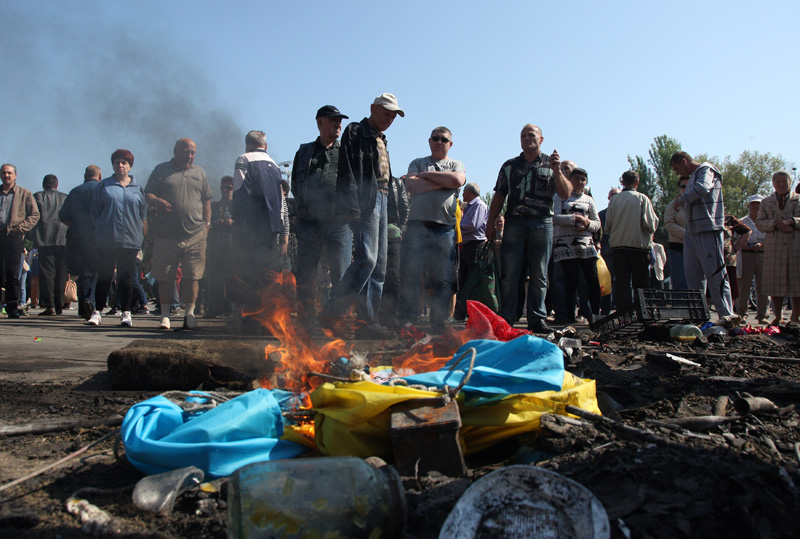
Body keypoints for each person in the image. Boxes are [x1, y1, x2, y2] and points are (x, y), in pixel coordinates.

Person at [321, 93, 404, 339]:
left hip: (383, 197)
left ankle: (369, 323)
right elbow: (347, 169)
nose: (389, 119)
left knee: (379, 265)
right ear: (373, 109)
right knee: (366, 259)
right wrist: (352, 205)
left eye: (393, 116)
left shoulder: (381, 139)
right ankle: (332, 311)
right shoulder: (356, 131)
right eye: (386, 113)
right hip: (365, 199)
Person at [485, 124, 570, 333]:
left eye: (531, 135)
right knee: (510, 274)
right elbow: (499, 195)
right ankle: (506, 318)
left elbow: (566, 193)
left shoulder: (552, 164)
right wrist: (489, 224)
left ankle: (537, 319)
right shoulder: (509, 166)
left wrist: (558, 171)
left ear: (541, 139)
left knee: (540, 274)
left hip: (542, 223)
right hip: (514, 223)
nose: (526, 138)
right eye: (523, 135)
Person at [291, 105, 354, 328]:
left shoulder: (347, 150)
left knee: (341, 272)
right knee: (306, 272)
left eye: (340, 121)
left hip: (338, 222)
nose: (338, 124)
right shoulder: (305, 151)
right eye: (333, 120)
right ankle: (306, 318)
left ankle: (337, 319)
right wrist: (302, 210)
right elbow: (295, 184)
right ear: (320, 123)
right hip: (310, 222)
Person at [399, 126, 466, 332]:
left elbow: (458, 180)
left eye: (443, 139)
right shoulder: (417, 162)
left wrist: (426, 176)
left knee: (442, 276)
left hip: (444, 228)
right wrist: (444, 183)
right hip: (417, 225)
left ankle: (438, 321)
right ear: (429, 141)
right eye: (435, 138)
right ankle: (408, 320)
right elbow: (411, 186)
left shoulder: (456, 164)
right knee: (412, 273)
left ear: (450, 144)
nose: (439, 142)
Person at [145, 138, 212, 330]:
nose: (189, 156)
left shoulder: (200, 172)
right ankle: (165, 315)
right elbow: (148, 194)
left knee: (193, 277)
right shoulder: (160, 170)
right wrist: (156, 200)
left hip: (195, 235)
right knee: (166, 277)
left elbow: (207, 200)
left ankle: (189, 314)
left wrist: (207, 225)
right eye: (185, 152)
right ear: (175, 151)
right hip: (166, 234)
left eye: (192, 153)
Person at [670, 151, 737, 325]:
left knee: (715, 274)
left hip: (708, 229)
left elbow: (703, 188)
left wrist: (682, 199)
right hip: (692, 231)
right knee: (693, 276)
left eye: (677, 169)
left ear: (684, 162)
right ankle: (698, 316)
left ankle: (727, 315)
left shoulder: (706, 170)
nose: (678, 173)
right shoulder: (693, 175)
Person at [231, 130, 287, 330]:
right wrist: (279, 229)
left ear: (247, 144)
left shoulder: (244, 159)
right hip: (272, 229)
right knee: (268, 276)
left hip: (251, 227)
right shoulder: (274, 166)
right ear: (266, 145)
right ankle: (268, 321)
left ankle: (250, 320)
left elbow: (239, 192)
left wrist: (238, 223)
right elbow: (280, 201)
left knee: (249, 273)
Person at [89, 150, 147, 327]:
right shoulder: (104, 186)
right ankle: (97, 312)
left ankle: (126, 313)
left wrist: (140, 236)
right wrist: (101, 229)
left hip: (130, 240)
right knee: (105, 276)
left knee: (127, 277)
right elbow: (94, 211)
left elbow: (142, 214)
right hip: (107, 239)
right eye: (117, 162)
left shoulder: (138, 188)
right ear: (112, 165)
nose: (120, 165)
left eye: (124, 162)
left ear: (130, 165)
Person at [552, 168, 601, 323]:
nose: (580, 182)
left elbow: (597, 223)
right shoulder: (560, 196)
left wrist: (587, 223)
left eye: (583, 179)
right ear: (569, 180)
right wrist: (573, 219)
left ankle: (595, 315)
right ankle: (569, 317)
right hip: (565, 244)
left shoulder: (589, 200)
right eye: (576, 178)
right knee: (570, 281)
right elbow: (555, 218)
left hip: (586, 245)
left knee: (592, 279)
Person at [604, 170, 658, 310]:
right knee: (641, 284)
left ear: (622, 182)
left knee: (622, 283)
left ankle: (624, 313)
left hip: (619, 247)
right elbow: (650, 224)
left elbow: (608, 226)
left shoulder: (614, 200)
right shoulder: (642, 198)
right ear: (637, 182)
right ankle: (643, 311)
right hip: (638, 246)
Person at [755, 170, 800, 324]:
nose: (781, 184)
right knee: (775, 282)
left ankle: (796, 315)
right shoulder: (766, 202)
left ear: (790, 182)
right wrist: (776, 224)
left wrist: (792, 222)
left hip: (796, 245)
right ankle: (778, 316)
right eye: (778, 181)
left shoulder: (798, 200)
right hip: (775, 246)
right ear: (773, 183)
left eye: (784, 181)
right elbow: (759, 223)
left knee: (797, 281)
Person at [60, 165, 102, 319]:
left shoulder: (75, 191)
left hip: (78, 238)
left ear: (85, 175)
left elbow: (63, 215)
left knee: (83, 272)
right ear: (100, 175)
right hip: (99, 237)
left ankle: (84, 306)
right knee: (96, 270)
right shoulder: (103, 190)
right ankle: (90, 300)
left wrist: (77, 225)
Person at [0, 164, 40, 318]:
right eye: (4, 173)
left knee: (12, 273)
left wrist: (20, 229)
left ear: (15, 176)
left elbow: (34, 215)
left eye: (9, 173)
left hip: (14, 237)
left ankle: (12, 307)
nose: (7, 175)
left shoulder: (24, 193)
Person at [31, 174, 69, 315]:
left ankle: (49, 305)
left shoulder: (38, 197)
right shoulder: (65, 198)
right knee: (61, 274)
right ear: (57, 185)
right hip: (62, 239)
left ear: (43, 185)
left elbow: (33, 216)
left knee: (47, 273)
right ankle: (59, 305)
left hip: (44, 239)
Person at [454, 182, 489, 319]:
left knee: (472, 280)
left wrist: (457, 225)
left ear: (470, 192)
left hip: (476, 245)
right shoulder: (470, 206)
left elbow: (474, 225)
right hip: (468, 245)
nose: (462, 194)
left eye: (464, 192)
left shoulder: (479, 205)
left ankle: (472, 312)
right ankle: (462, 312)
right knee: (463, 278)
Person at [204, 175, 235, 318]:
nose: (225, 191)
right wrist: (215, 223)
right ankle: (214, 309)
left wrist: (231, 222)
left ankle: (230, 308)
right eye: (223, 188)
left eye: (229, 188)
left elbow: (243, 224)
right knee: (215, 278)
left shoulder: (237, 206)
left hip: (232, 245)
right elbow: (207, 221)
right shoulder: (215, 206)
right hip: (216, 245)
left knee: (231, 278)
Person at [737, 195, 768, 323]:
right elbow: (735, 238)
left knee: (764, 285)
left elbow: (771, 239)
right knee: (744, 285)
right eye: (753, 204)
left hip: (762, 253)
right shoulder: (741, 221)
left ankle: (763, 315)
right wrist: (742, 243)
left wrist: (762, 245)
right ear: (749, 206)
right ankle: (741, 314)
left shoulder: (766, 221)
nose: (756, 207)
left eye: (758, 204)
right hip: (746, 254)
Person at [598, 187, 620, 315]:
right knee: (606, 283)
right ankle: (605, 310)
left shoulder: (624, 213)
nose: (614, 197)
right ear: (608, 197)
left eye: (617, 194)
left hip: (622, 251)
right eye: (612, 194)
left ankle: (622, 308)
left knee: (623, 282)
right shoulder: (602, 214)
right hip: (607, 252)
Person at [664, 176, 689, 289]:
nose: (685, 189)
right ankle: (680, 306)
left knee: (696, 281)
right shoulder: (673, 205)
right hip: (677, 247)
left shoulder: (699, 205)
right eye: (683, 186)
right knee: (679, 281)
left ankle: (696, 306)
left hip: (696, 247)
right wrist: (687, 235)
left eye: (688, 186)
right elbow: (668, 224)